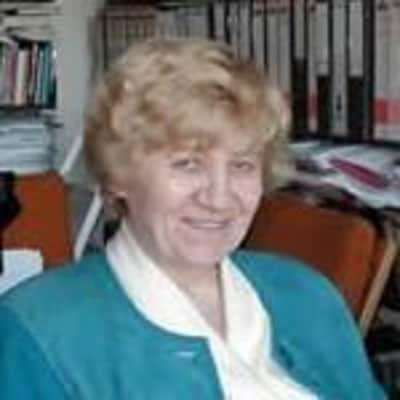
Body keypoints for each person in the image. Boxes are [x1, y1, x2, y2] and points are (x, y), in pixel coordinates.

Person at [0, 38, 385, 400]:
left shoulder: (307, 294)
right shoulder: (37, 330)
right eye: (187, 164)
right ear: (118, 176)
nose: (218, 198)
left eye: (242, 165)